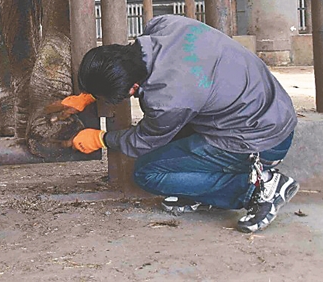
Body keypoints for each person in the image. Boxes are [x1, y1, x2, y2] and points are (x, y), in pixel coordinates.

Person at [56, 14, 299, 233]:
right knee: (172, 145)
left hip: (260, 140)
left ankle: (258, 186)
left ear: (132, 88)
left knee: (148, 173)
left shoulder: (167, 100)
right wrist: (91, 92)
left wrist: (101, 138)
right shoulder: (165, 25)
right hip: (273, 109)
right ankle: (204, 191)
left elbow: (142, 141)